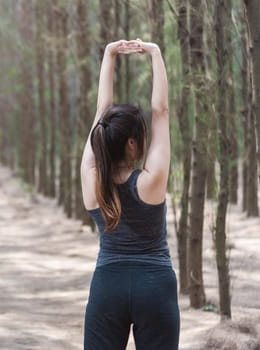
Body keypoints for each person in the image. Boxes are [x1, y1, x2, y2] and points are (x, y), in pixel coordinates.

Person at [80, 39, 179, 350]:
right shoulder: (150, 184)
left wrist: (109, 54)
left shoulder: (92, 181)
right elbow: (160, 111)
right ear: (134, 144)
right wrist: (155, 54)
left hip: (108, 286)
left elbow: (101, 112)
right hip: (155, 288)